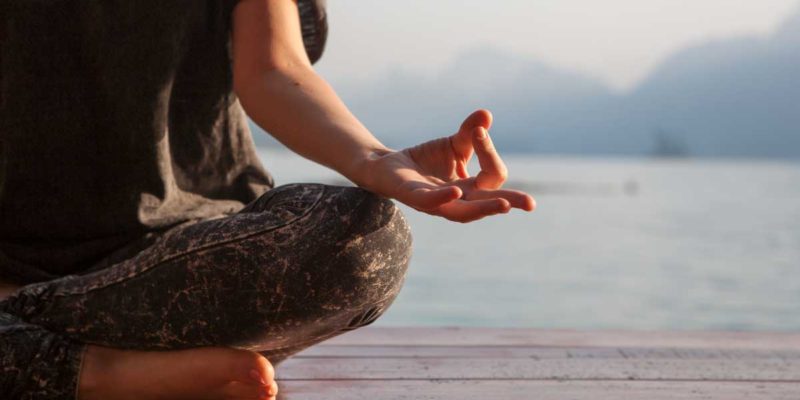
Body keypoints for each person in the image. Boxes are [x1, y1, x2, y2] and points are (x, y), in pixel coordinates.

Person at [0, 0, 536, 398]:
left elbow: (276, 70)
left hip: (184, 259)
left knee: (367, 238)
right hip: (15, 268)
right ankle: (108, 374)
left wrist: (374, 161)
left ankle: (39, 356)